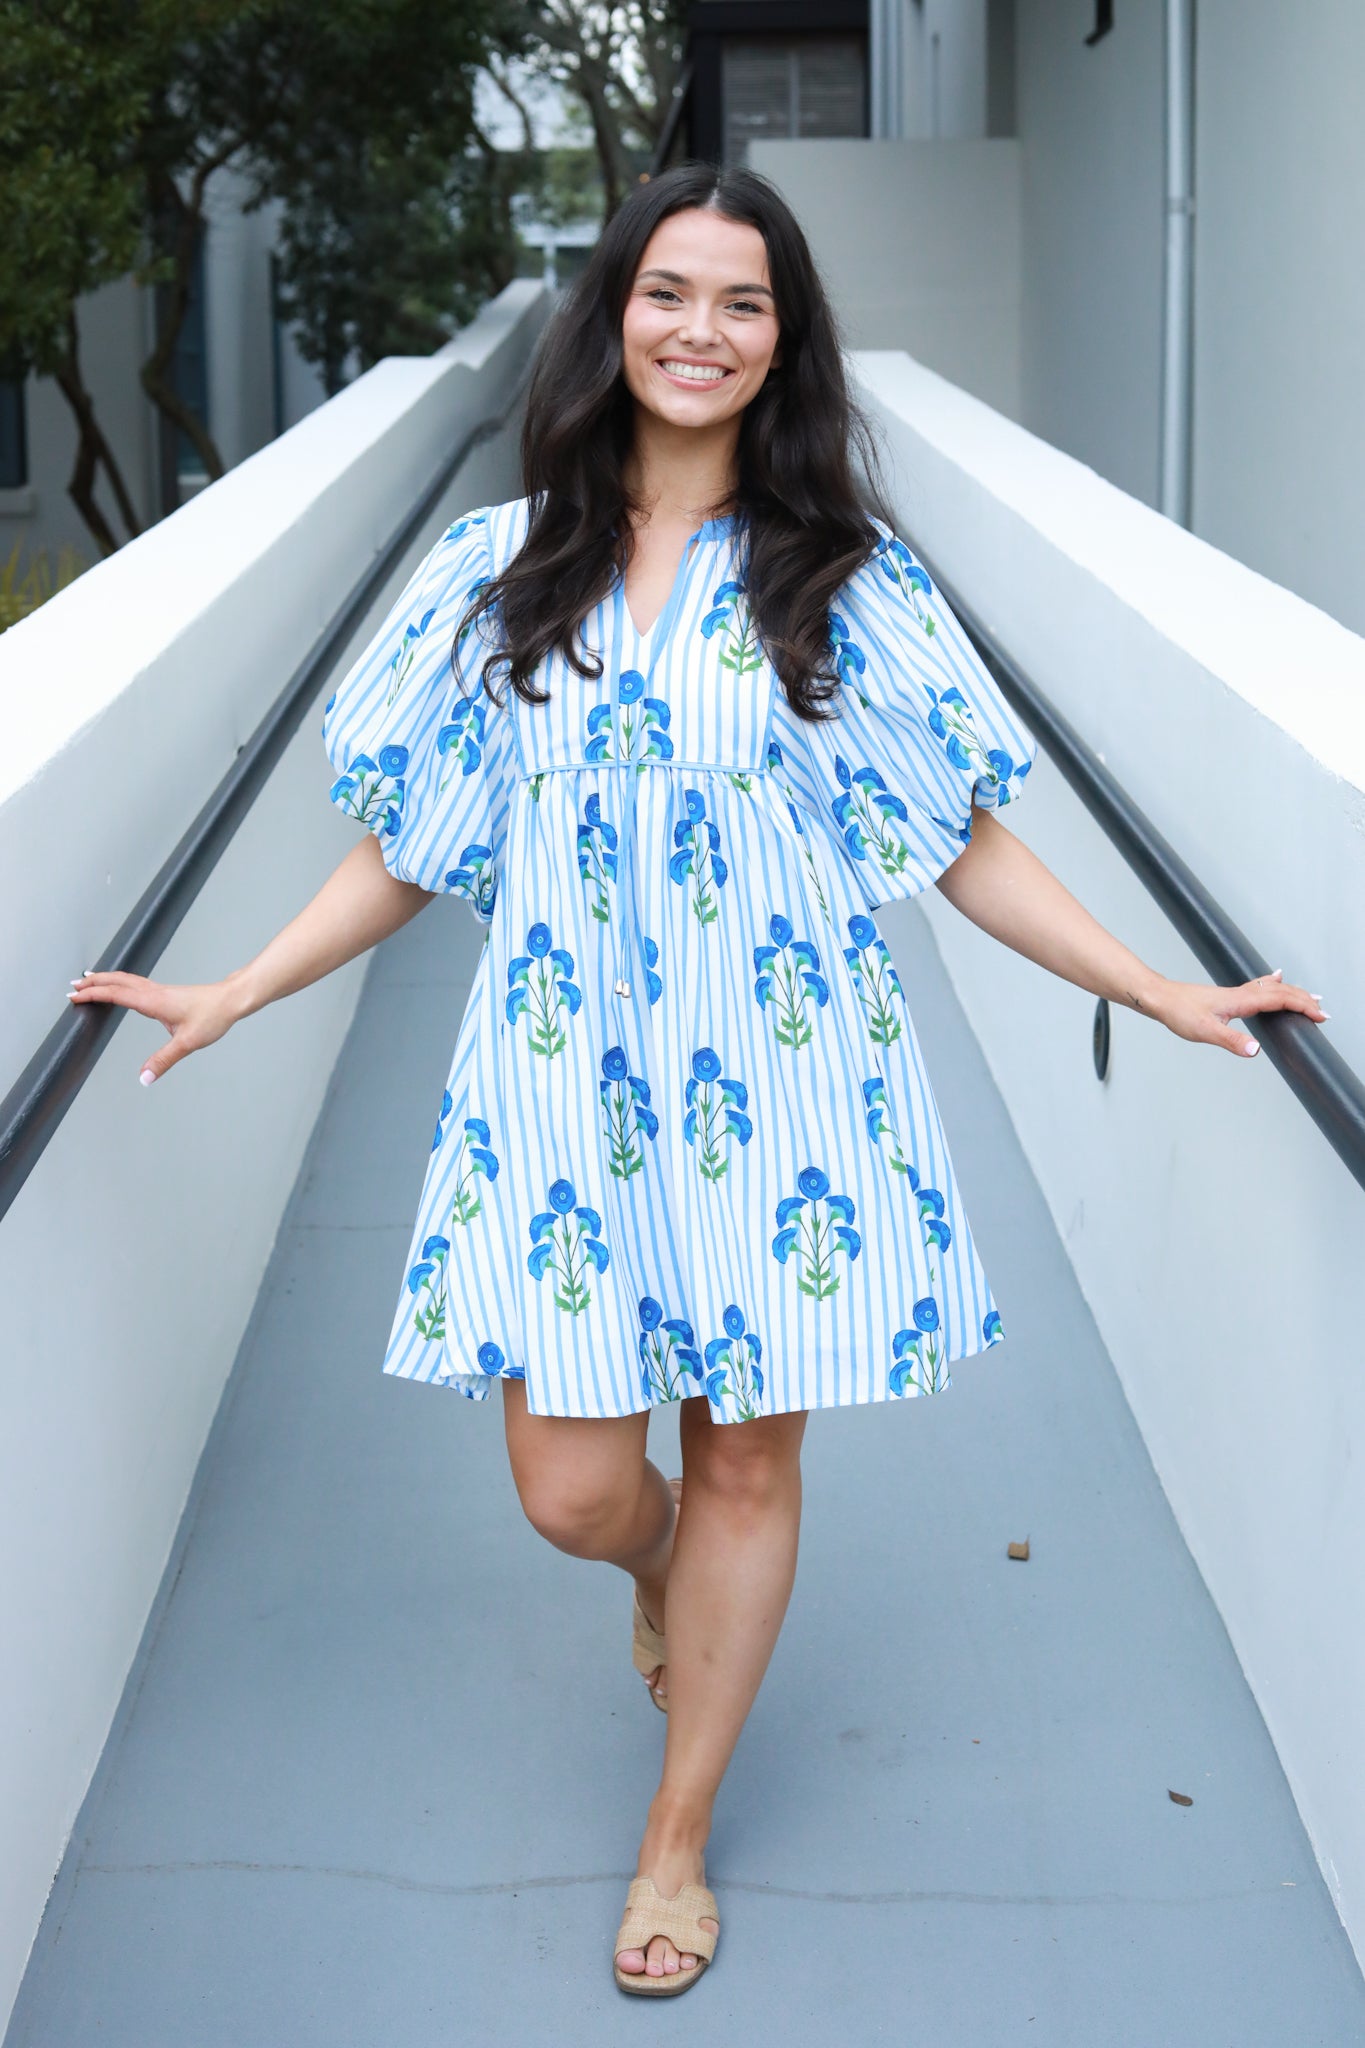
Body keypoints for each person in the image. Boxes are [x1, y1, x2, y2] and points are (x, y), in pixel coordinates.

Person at [68, 162, 1326, 1998]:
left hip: (789, 1072)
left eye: (744, 304)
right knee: (573, 1491)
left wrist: (1156, 985)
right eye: (671, 293)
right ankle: (654, 1575)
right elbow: (416, 838)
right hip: (562, 1077)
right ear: (613, 314)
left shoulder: (847, 582)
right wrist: (236, 988)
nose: (702, 331)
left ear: (782, 344)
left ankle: (675, 1837)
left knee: (747, 1449)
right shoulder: (496, 572)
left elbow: (950, 841)